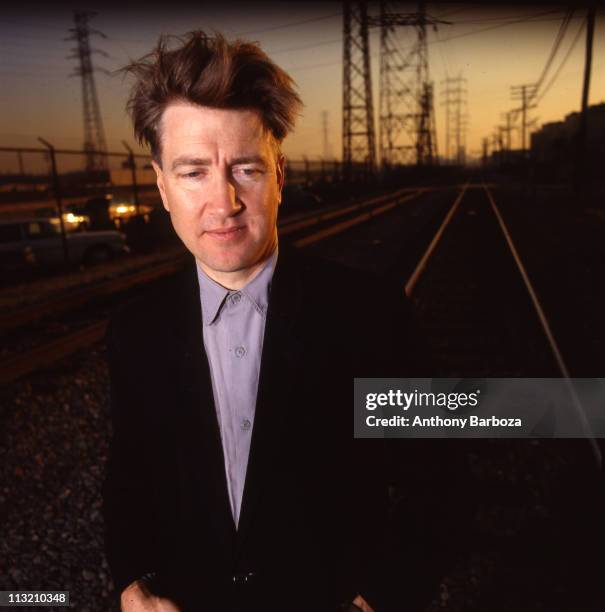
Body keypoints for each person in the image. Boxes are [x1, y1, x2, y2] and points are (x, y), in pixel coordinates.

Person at [102, 31, 442, 612]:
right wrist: (131, 583)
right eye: (193, 173)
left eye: (246, 169)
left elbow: (438, 479)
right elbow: (129, 476)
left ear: (279, 175)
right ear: (161, 186)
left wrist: (380, 597)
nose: (224, 201)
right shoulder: (136, 332)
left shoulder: (372, 315)